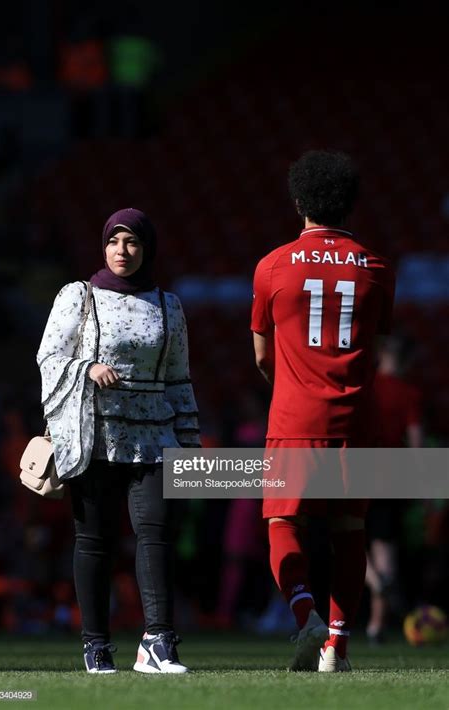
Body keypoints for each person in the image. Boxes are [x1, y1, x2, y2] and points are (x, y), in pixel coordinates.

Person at [37, 208, 200, 674]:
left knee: (157, 534)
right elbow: (49, 355)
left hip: (155, 437)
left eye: (132, 243)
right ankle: (96, 646)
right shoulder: (79, 296)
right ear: (103, 246)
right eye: (114, 242)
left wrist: (190, 443)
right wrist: (85, 368)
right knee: (94, 539)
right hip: (96, 435)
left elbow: (178, 378)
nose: (122, 252)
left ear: (146, 249)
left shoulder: (168, 305)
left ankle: (158, 644)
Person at [251, 151, 395, 672]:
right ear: (351, 205)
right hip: (356, 417)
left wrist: (293, 386)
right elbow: (376, 353)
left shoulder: (272, 265)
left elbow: (263, 355)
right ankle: (337, 646)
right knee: (349, 527)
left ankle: (305, 616)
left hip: (295, 415)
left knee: (282, 518)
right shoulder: (377, 267)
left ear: (298, 203)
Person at [365, 337, 423, 643]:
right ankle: (376, 625)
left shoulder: (366, 385)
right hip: (392, 475)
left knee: (345, 537)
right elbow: (415, 442)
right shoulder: (409, 393)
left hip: (358, 470)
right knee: (385, 550)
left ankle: (375, 581)